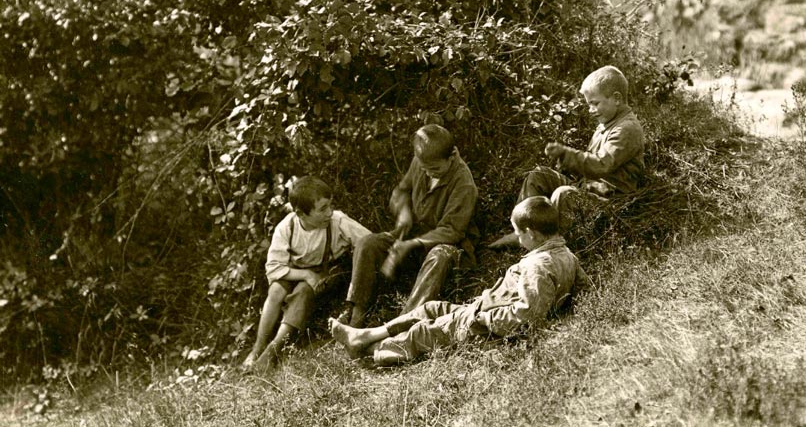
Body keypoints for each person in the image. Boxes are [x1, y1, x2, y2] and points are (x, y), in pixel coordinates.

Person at [329, 196, 588, 366]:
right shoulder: (566, 256)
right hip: (482, 310)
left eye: (519, 234)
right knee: (430, 309)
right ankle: (366, 335)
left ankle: (371, 351)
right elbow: (585, 290)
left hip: (484, 323)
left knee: (426, 331)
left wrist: (484, 319)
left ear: (531, 233)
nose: (518, 239)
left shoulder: (536, 267)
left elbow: (527, 316)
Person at [338, 124, 478, 328]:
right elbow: (402, 191)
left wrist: (413, 244)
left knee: (440, 255)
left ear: (451, 156)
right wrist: (404, 213)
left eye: (435, 169)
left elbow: (452, 231)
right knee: (368, 243)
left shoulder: (464, 183)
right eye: (425, 169)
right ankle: (356, 316)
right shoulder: (421, 161)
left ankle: (400, 326)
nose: (429, 174)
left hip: (448, 247)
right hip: (412, 238)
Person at [491, 65, 644, 248]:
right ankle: (524, 231)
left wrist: (567, 154)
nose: (591, 110)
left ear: (617, 98)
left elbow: (602, 165)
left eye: (595, 103)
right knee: (539, 175)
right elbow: (590, 164)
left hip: (611, 200)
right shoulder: (607, 123)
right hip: (591, 189)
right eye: (589, 104)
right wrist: (564, 163)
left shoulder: (627, 129)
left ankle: (551, 246)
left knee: (563, 194)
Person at [241, 176, 371, 372]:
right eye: (322, 209)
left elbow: (369, 242)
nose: (329, 212)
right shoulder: (288, 227)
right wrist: (305, 274)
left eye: (330, 205)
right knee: (276, 290)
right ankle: (256, 349)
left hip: (328, 275)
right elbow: (274, 268)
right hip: (297, 274)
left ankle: (273, 350)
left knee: (303, 290)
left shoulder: (337, 221)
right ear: (301, 214)